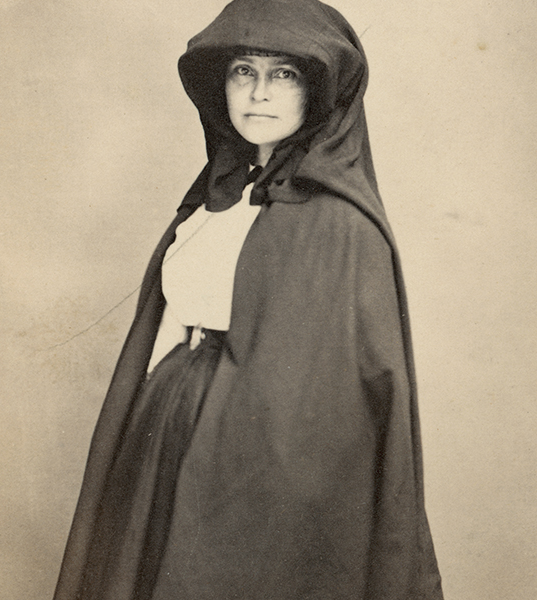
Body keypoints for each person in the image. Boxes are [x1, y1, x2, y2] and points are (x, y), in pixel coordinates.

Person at [53, 1, 444, 598]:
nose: (258, 92)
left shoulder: (342, 226)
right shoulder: (213, 202)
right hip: (170, 432)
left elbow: (345, 402)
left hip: (269, 470)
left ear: (318, 91)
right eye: (244, 71)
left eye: (283, 74)